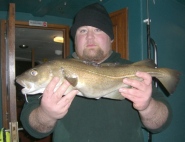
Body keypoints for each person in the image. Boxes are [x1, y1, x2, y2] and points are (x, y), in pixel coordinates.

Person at [20, 3, 172, 142]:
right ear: (75, 38)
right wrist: (47, 113)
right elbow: (34, 128)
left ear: (110, 38)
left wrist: (147, 106)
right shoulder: (54, 73)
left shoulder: (135, 72)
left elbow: (159, 123)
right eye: (83, 30)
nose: (90, 37)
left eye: (98, 29)